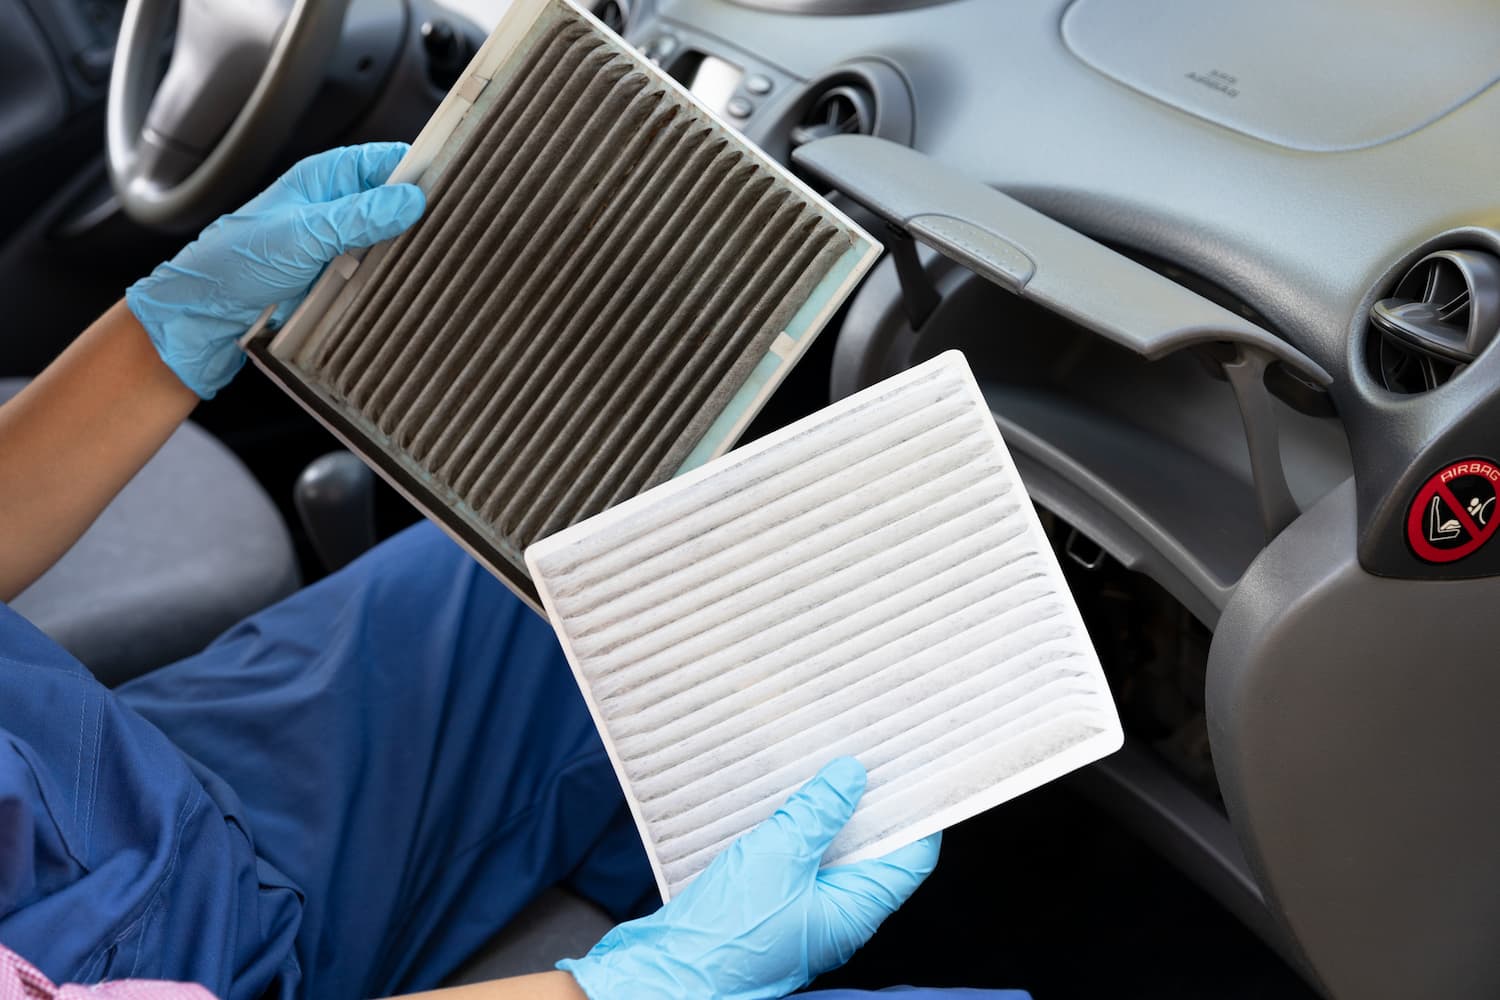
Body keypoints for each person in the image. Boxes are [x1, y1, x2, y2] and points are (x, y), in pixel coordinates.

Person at [0, 143, 1032, 1000]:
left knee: (632, 565)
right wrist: (636, 985)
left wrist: (165, 328)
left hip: (101, 774)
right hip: (174, 965)